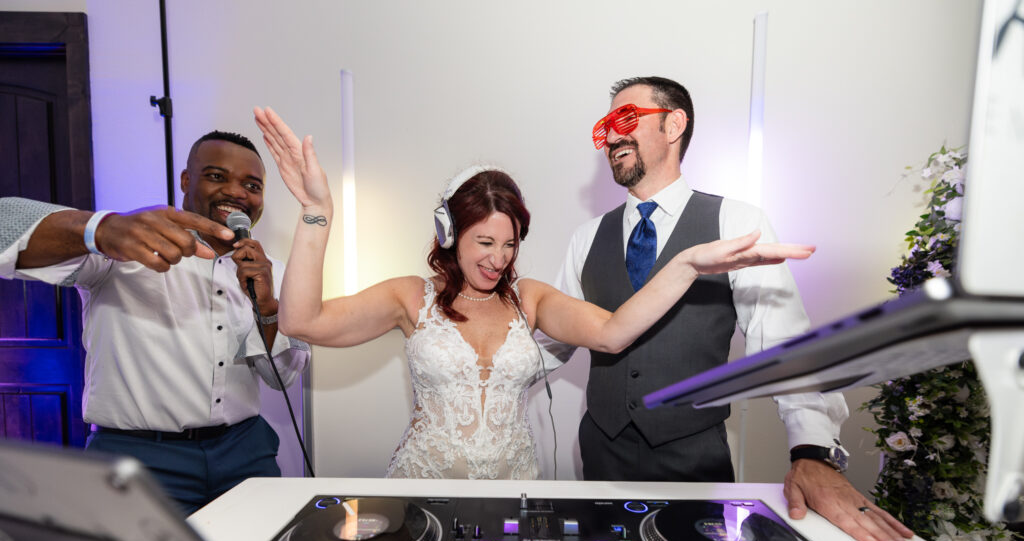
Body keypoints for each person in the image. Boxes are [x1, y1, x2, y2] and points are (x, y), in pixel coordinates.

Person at [254, 106, 813, 479]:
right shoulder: (409, 296)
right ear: (449, 235)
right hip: (424, 486)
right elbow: (302, 321)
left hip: (514, 487)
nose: (498, 259)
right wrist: (315, 213)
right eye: (483, 242)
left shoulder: (534, 299)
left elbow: (615, 331)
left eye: (510, 243)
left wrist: (688, 262)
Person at [551, 76, 913, 541]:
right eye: (606, 126)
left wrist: (812, 450)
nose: (613, 137)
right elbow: (550, 343)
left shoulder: (737, 223)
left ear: (674, 124)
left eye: (627, 120)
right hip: (601, 456)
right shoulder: (586, 238)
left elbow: (782, 344)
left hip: (694, 464)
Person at [0, 131, 310, 515]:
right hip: (139, 460)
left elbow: (283, 375)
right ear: (185, 180)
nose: (236, 192)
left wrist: (267, 304)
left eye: (252, 185)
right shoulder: (121, 246)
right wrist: (99, 229)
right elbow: (4, 228)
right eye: (216, 176)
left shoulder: (271, 272)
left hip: (246, 453)